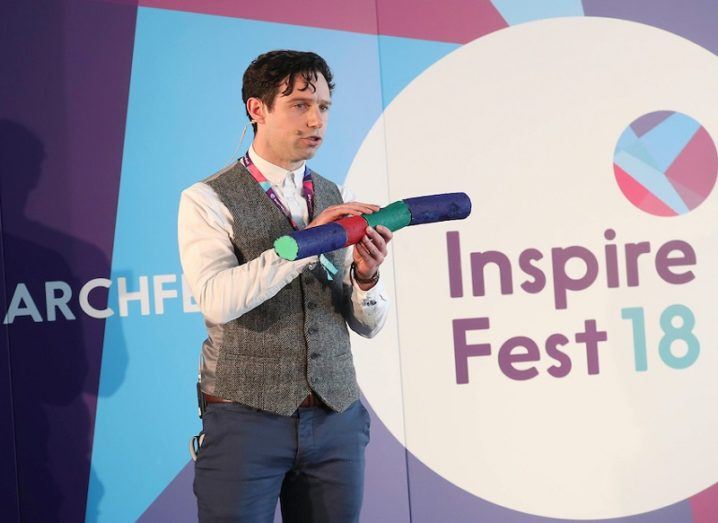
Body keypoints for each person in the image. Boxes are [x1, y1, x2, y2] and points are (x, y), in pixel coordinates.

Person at [178, 49, 393, 522]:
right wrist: (308, 242)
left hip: (336, 417)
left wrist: (365, 276)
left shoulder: (334, 194)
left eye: (323, 106)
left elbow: (367, 324)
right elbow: (217, 298)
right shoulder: (207, 198)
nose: (316, 119)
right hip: (245, 419)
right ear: (258, 110)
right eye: (299, 104)